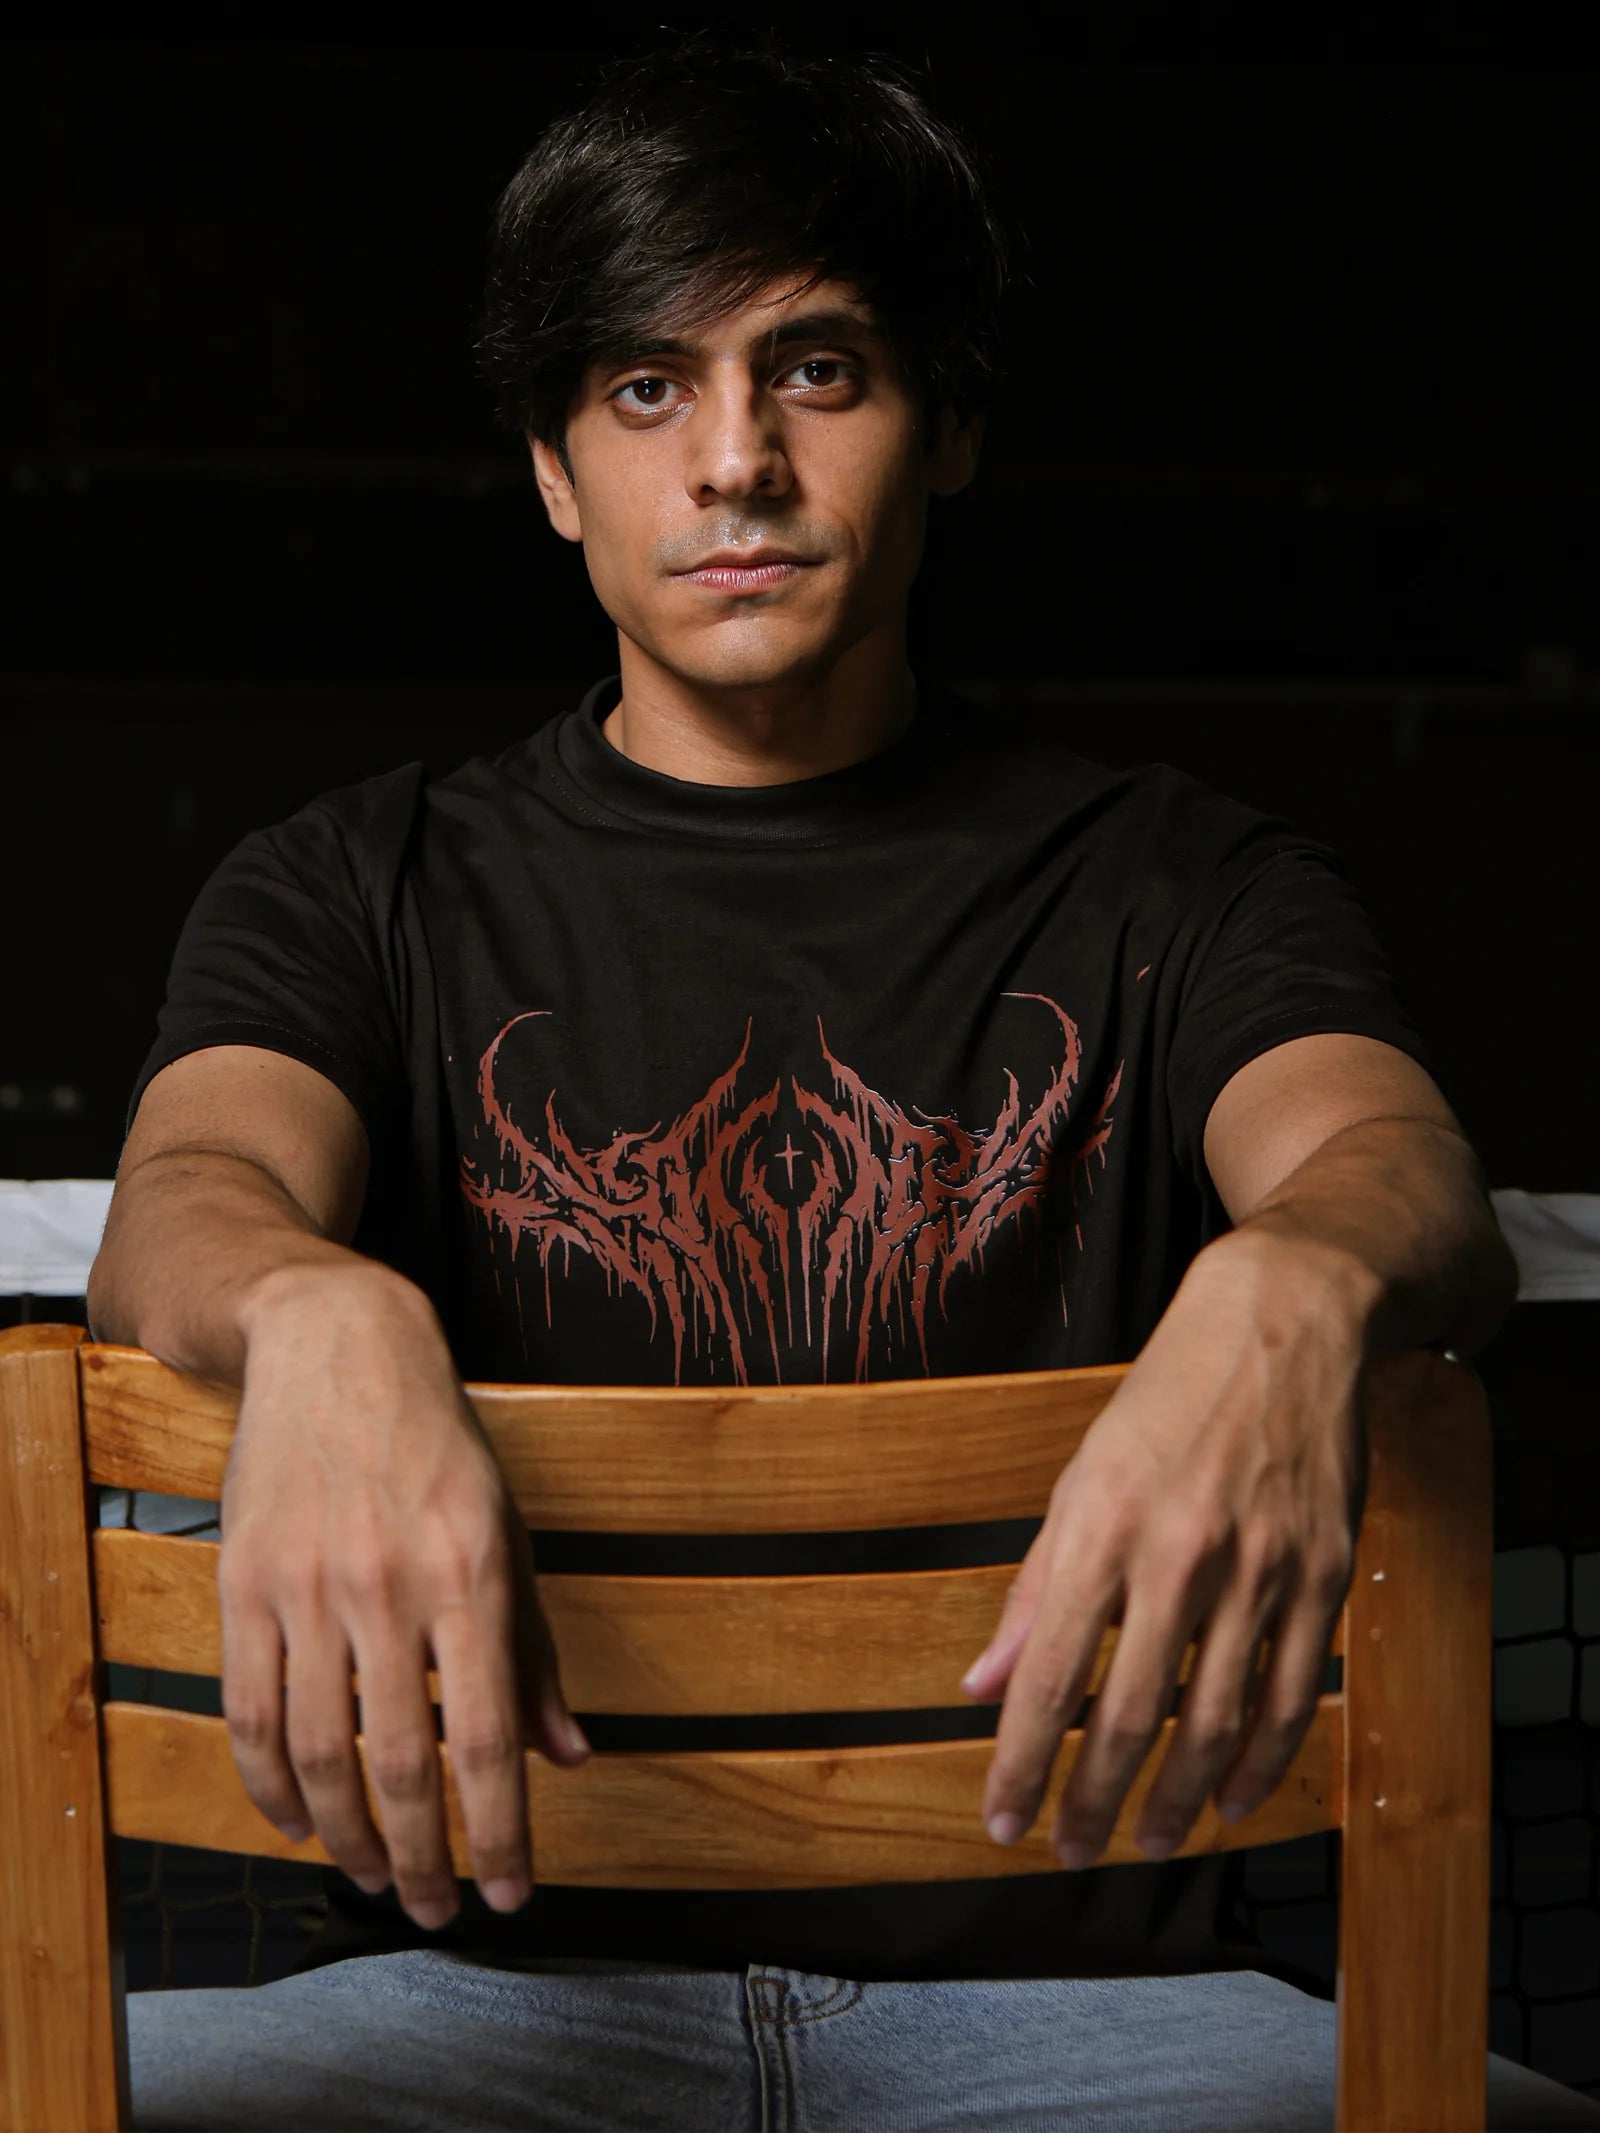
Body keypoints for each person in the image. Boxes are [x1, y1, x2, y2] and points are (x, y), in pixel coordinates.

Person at [94, 40, 1599, 2133]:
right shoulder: (358, 881)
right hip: (486, 2004)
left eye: (815, 370)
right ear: (551, 467)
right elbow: (189, 1189)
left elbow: (1381, 1157)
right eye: (644, 387)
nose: (732, 463)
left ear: (948, 425)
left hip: (1086, 2016)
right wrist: (316, 1302)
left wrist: (1300, 1282)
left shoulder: (1179, 877)